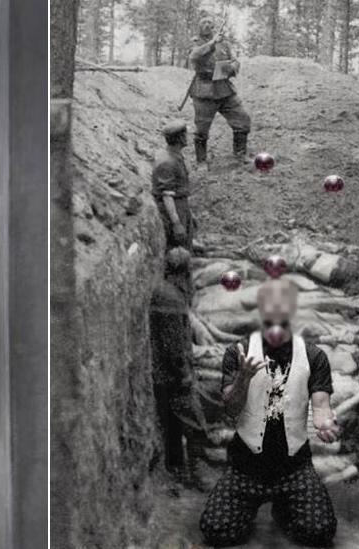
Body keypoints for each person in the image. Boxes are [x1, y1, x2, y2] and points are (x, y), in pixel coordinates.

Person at [200, 279, 339, 547]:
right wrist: (243, 378)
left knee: (319, 531)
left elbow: (321, 407)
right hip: (246, 467)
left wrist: (326, 425)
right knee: (215, 529)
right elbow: (231, 409)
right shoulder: (237, 353)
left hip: (293, 468)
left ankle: (283, 508)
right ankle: (248, 508)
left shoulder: (314, 356)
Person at [150, 247, 209, 490]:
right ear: (183, 271)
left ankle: (176, 469)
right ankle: (197, 474)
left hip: (162, 374)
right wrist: (184, 373)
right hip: (173, 374)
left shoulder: (165, 292)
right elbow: (174, 344)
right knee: (196, 423)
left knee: (173, 425)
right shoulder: (171, 299)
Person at [188, 17, 251, 165]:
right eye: (204, 22)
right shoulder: (195, 42)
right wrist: (212, 43)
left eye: (210, 23)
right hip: (204, 91)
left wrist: (232, 68)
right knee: (202, 129)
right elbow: (194, 56)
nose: (207, 25)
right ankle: (201, 162)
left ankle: (240, 155)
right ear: (199, 27)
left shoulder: (224, 43)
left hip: (224, 89)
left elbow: (235, 60)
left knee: (243, 120)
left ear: (214, 26)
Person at [152, 122, 194, 250]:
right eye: (185, 135)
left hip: (180, 204)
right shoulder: (167, 162)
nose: (188, 137)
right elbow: (167, 196)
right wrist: (176, 223)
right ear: (180, 138)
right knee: (178, 247)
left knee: (186, 242)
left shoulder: (173, 155)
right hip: (172, 208)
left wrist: (188, 212)